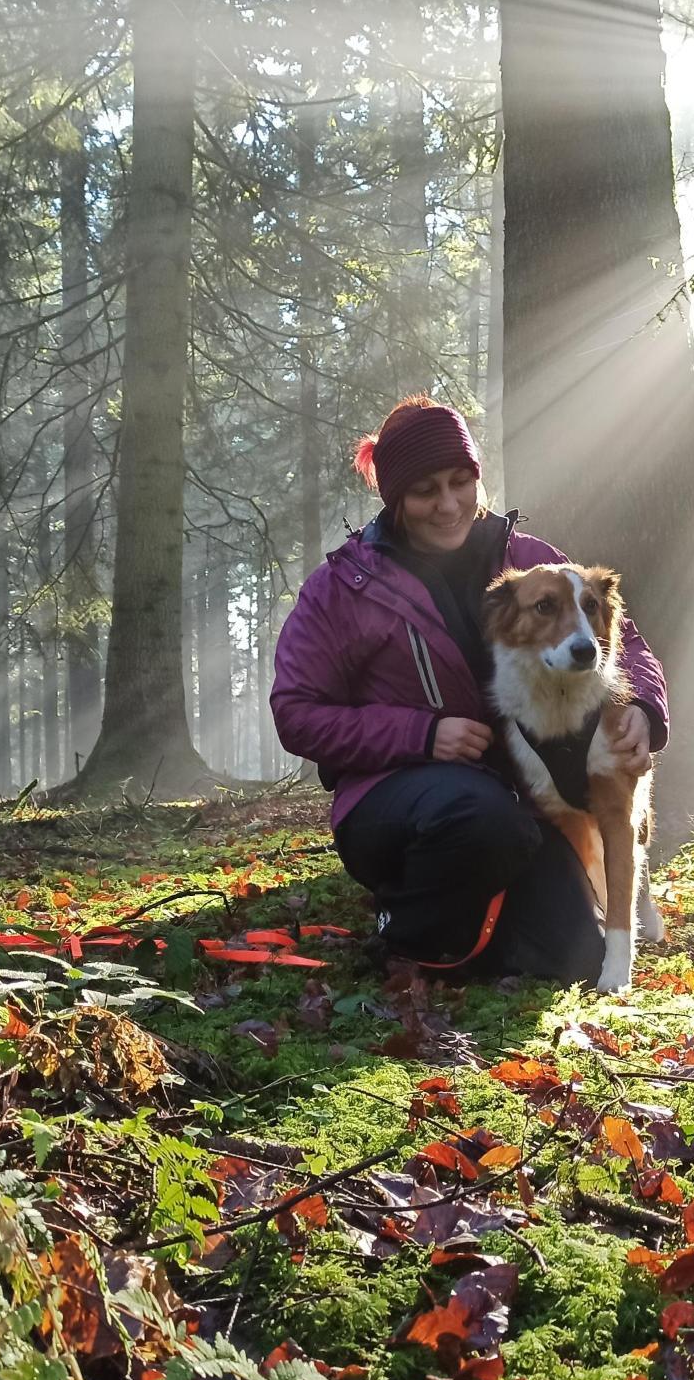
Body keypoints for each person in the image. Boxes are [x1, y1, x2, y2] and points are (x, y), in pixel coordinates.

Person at [270, 396, 669, 981]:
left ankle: (478, 930)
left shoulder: (529, 561)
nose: (449, 504)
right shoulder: (344, 587)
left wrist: (643, 707)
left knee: (574, 955)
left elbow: (620, 638)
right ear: (395, 497)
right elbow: (296, 713)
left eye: (461, 481)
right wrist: (421, 733)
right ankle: (404, 930)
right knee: (481, 818)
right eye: (426, 489)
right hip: (394, 801)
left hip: (518, 806)